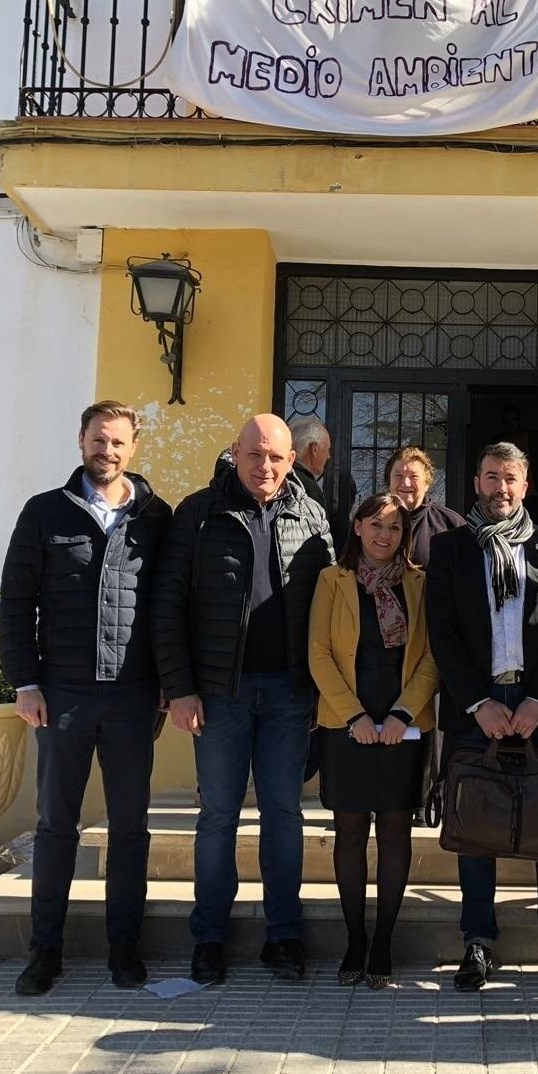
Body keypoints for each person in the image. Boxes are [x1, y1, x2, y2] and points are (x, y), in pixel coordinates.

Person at [0, 401, 173, 996]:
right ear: (81, 440)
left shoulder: (156, 516)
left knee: (130, 828)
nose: (110, 451)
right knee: (56, 828)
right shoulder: (44, 512)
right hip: (63, 694)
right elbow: (17, 603)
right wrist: (25, 682)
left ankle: (125, 949)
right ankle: (44, 952)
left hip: (132, 698)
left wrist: (169, 689)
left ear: (134, 447)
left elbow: (168, 611)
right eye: (100, 439)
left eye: (120, 442)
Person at [152, 414, 334, 986]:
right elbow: (168, 605)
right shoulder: (198, 513)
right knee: (218, 818)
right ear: (235, 452)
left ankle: (284, 936)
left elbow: (329, 610)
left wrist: (320, 694)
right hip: (219, 695)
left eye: (277, 457)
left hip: (287, 694)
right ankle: (209, 937)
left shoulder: (312, 515)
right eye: (255, 454)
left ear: (292, 460)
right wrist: (179, 689)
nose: (266, 467)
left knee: (284, 816)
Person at [426, 442, 538, 995]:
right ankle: (478, 940)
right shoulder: (451, 548)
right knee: (477, 824)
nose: (501, 489)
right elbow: (440, 630)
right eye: (491, 477)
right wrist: (477, 702)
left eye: (511, 478)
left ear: (526, 483)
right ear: (476, 484)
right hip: (478, 703)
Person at [308, 492, 440, 989]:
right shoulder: (332, 580)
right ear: (358, 527)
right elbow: (319, 654)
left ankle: (383, 941)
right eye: (376, 525)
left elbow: (431, 655)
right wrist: (356, 717)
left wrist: (401, 713)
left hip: (403, 726)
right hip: (347, 725)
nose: (385, 535)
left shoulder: (419, 583)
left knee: (394, 833)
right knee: (349, 834)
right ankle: (354, 939)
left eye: (395, 527)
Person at [384, 445, 464, 567]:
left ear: (427, 484)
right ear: (389, 482)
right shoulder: (371, 520)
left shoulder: (451, 524)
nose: (406, 483)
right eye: (398, 476)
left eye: (414, 476)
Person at [290, 418, 333, 515]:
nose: (329, 456)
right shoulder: (308, 489)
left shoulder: (277, 480)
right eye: (327, 449)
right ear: (314, 449)